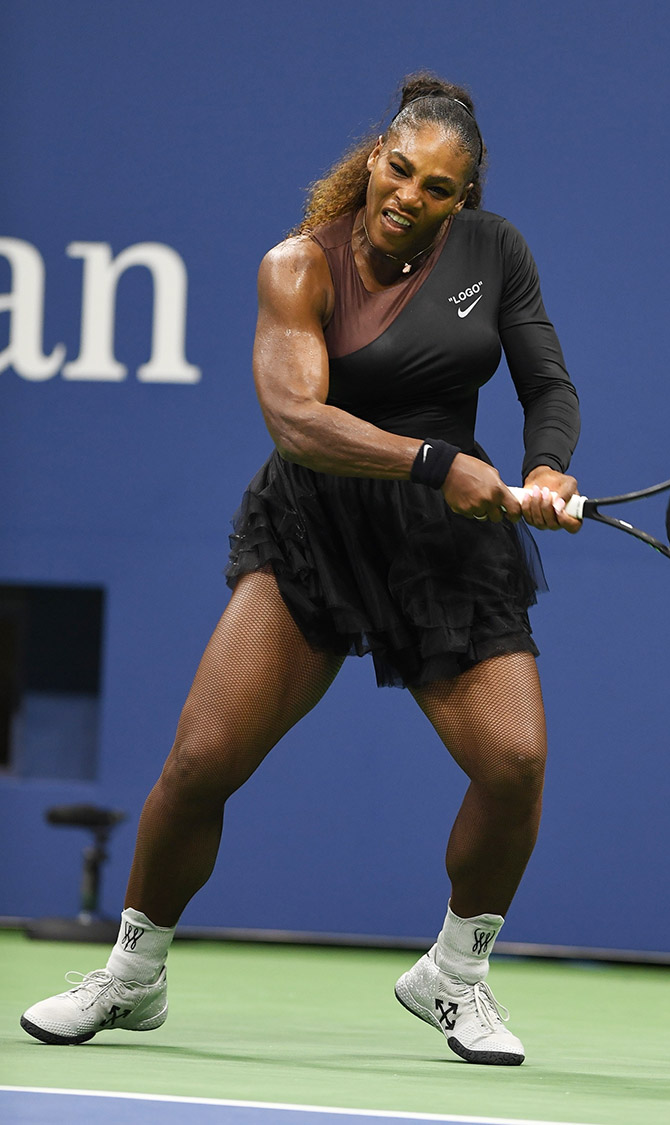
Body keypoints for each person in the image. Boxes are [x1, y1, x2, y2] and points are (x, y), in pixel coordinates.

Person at [20, 73, 581, 1066]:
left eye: (438, 187)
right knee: (199, 766)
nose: (411, 194)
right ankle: (131, 973)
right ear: (375, 157)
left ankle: (455, 972)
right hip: (312, 534)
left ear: (465, 198)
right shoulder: (299, 266)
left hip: (444, 551)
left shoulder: (497, 254)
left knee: (517, 762)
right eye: (400, 169)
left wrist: (544, 466)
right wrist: (434, 461)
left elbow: (545, 377)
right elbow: (297, 421)